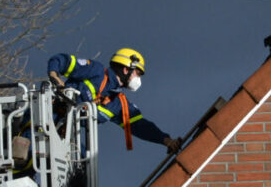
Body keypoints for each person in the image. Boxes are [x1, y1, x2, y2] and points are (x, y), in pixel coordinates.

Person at [46, 48, 181, 153]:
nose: (138, 79)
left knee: (81, 177)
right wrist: (55, 77)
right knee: (29, 155)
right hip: (45, 119)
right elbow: (61, 60)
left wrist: (166, 140)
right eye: (137, 73)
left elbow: (141, 126)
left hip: (64, 135)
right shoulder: (95, 71)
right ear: (126, 69)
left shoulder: (118, 104)